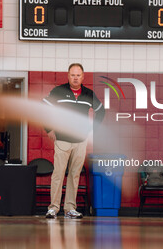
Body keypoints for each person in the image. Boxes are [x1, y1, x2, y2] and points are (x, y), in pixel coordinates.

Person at [43, 63, 105, 219]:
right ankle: (53, 208)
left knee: (74, 175)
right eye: (73, 75)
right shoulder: (59, 91)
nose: (75, 78)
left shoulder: (88, 94)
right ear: (68, 76)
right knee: (58, 174)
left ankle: (70, 208)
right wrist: (49, 128)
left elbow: (101, 111)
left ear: (83, 76)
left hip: (80, 141)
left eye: (78, 75)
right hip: (62, 140)